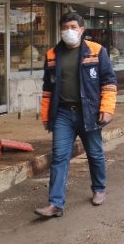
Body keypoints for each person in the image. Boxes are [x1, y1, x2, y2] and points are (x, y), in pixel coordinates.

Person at [35, 12, 117, 218]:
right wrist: (46, 116)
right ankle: (55, 204)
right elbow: (47, 88)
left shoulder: (97, 51)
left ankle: (99, 189)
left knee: (95, 154)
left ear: (82, 29)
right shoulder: (52, 54)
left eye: (73, 26)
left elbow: (108, 82)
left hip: (88, 112)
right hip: (63, 113)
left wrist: (106, 109)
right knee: (59, 157)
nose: (68, 31)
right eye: (65, 27)